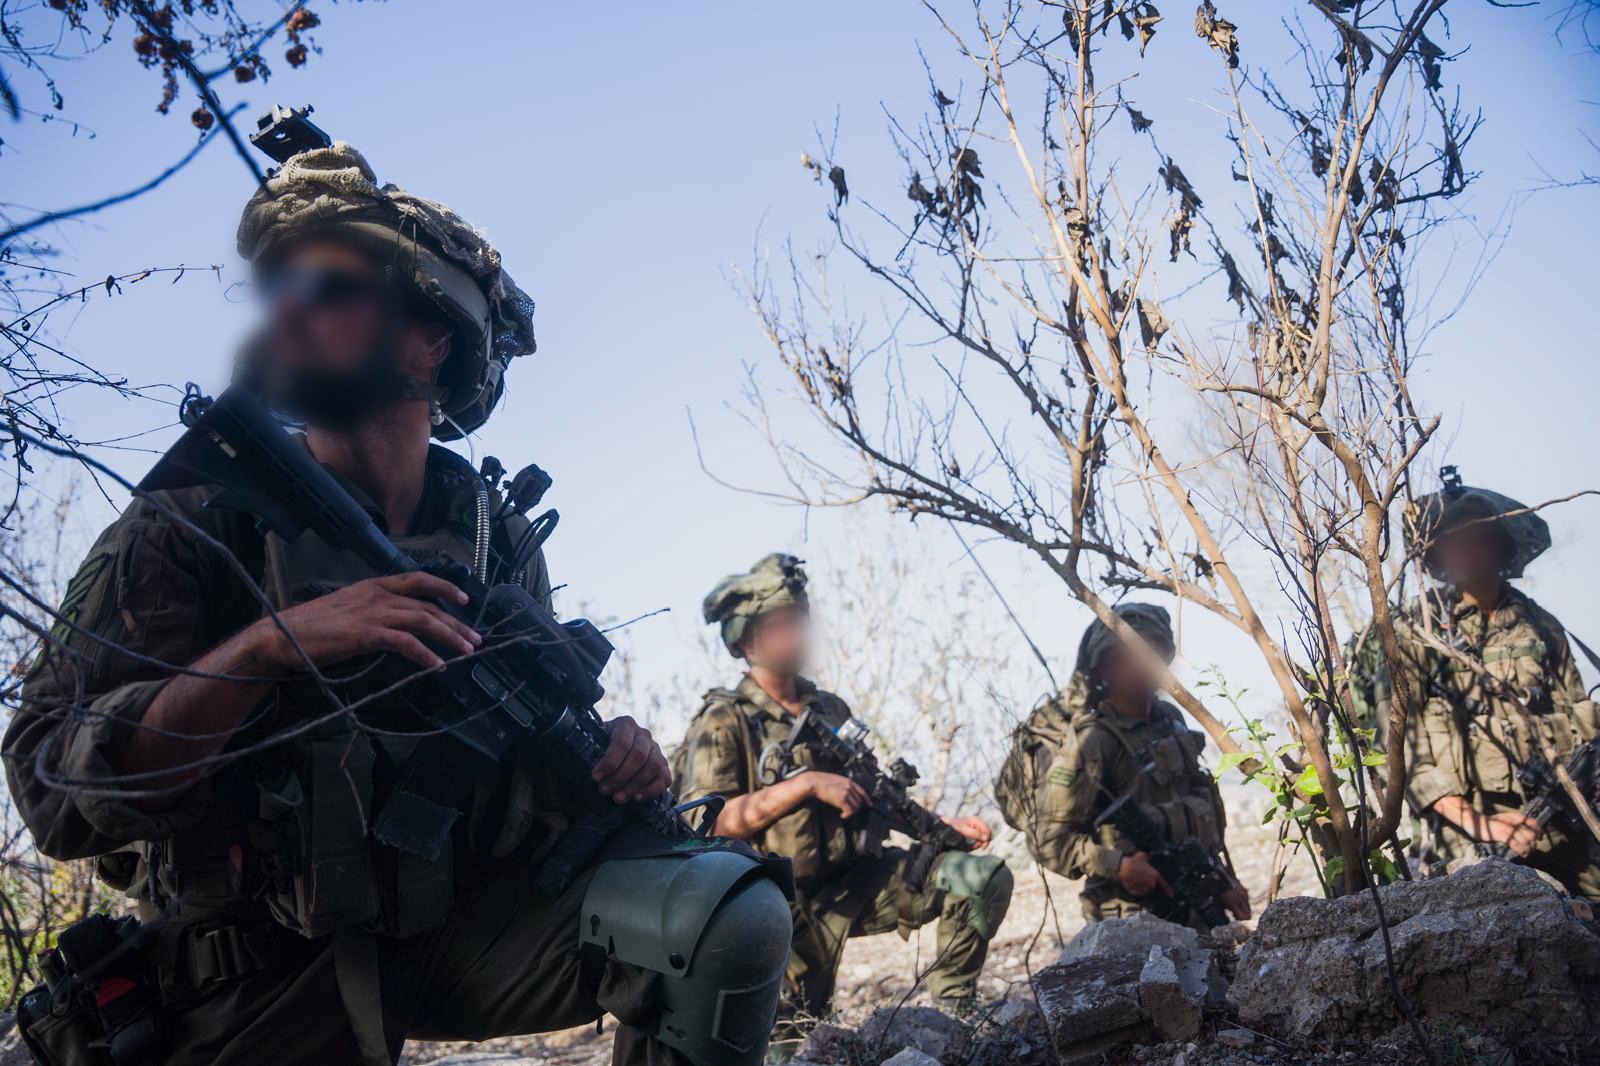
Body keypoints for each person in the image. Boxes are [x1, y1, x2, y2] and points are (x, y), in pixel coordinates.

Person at [6, 124, 786, 1066]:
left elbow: (528, 755)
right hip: (252, 972)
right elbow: (53, 787)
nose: (284, 314)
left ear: (430, 340)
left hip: (458, 933)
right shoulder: (202, 513)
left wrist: (615, 758)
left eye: (328, 287)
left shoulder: (491, 536)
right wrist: (268, 649)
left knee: (718, 911)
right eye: (275, 289)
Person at [673, 554, 1013, 1020]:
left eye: (799, 621)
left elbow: (875, 792)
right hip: (775, 907)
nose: (797, 634)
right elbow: (706, 823)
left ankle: (957, 1014)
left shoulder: (829, 708)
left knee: (980, 878)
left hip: (858, 882)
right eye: (781, 625)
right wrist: (805, 785)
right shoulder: (725, 719)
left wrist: (937, 826)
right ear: (748, 641)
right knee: (793, 1043)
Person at [1382, 472, 1600, 898]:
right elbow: (1399, 751)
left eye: (1477, 535)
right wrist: (1479, 822)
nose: (1465, 547)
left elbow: (1581, 722)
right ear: (1436, 551)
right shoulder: (1414, 631)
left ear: (1503, 542)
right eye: (1452, 538)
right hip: (1467, 829)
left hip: (1558, 818)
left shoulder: (1540, 626)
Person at [995, 603, 1250, 928]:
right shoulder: (1093, 739)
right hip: (1129, 919)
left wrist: (1221, 881)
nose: (1143, 665)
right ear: (1103, 668)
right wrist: (1119, 865)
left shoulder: (1169, 721)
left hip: (1197, 903)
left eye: (1153, 652)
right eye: (1127, 657)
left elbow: (1195, 814)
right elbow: (1048, 840)